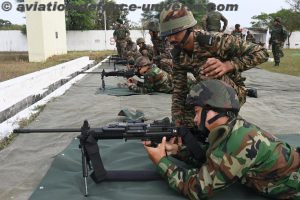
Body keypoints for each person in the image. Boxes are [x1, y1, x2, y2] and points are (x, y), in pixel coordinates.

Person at [144, 79, 300, 200]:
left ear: (215, 110)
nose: (195, 119)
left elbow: (196, 189)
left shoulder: (239, 142)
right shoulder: (233, 128)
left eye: (197, 112)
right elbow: (214, 158)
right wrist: (178, 151)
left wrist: (161, 162)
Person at [159, 2, 269, 127]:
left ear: (189, 28)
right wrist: (177, 123)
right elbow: (179, 90)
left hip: (234, 94)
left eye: (176, 33)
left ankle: (227, 120)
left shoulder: (216, 40)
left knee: (206, 70)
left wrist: (228, 65)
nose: (172, 39)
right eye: (168, 35)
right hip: (208, 90)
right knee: (191, 113)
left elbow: (262, 53)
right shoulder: (178, 54)